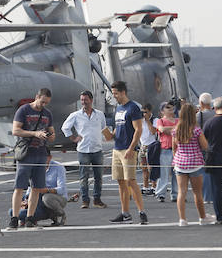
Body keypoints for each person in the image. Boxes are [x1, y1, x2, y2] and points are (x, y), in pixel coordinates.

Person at [8, 89, 56, 230]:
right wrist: (35, 133)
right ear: (37, 97)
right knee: (19, 187)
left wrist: (50, 136)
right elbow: (16, 130)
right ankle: (14, 219)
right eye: (42, 102)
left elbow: (52, 133)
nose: (43, 105)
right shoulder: (23, 110)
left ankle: (30, 218)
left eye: (46, 103)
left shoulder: (47, 114)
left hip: (41, 153)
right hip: (26, 153)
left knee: (36, 188)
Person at [102, 81, 148, 224]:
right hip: (117, 148)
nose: (114, 96)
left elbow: (138, 129)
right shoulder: (118, 108)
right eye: (113, 93)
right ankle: (125, 213)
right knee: (121, 182)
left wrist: (131, 148)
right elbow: (117, 129)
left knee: (131, 181)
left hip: (128, 149)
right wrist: (106, 131)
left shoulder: (133, 107)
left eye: (115, 93)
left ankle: (142, 212)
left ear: (123, 92)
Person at [62, 91, 108, 209]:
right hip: (83, 149)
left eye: (85, 100)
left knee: (99, 177)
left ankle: (97, 199)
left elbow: (103, 127)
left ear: (91, 100)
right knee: (84, 176)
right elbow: (65, 127)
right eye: (82, 100)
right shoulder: (76, 115)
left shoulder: (99, 114)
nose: (83, 102)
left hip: (97, 149)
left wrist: (107, 137)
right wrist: (73, 138)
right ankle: (85, 200)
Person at [172, 104, 212, 226]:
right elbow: (205, 146)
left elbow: (174, 148)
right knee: (197, 193)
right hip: (195, 163)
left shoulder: (176, 130)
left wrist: (177, 158)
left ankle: (182, 219)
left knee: (181, 192)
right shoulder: (196, 130)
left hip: (180, 163)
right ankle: (202, 217)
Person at [11, 147, 68, 226]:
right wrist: (25, 200)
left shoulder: (59, 167)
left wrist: (46, 190)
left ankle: (57, 213)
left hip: (53, 198)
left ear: (50, 157)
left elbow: (61, 189)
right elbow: (30, 187)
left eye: (42, 157)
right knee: (13, 210)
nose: (40, 160)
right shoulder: (35, 166)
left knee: (46, 198)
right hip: (37, 199)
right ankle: (28, 217)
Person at [154, 102, 179, 202]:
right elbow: (161, 129)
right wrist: (175, 128)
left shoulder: (178, 120)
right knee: (163, 172)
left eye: (172, 107)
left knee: (177, 173)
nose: (171, 109)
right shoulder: (160, 121)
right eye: (167, 107)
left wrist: (168, 129)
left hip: (178, 150)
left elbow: (166, 130)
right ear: (162, 111)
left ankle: (175, 194)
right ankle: (160, 193)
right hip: (165, 149)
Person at [196, 93, 216, 205]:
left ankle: (207, 196)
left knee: (204, 171)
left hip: (203, 146)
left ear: (201, 103)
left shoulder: (199, 116)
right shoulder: (216, 114)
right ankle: (214, 194)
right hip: (216, 145)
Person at [138, 104, 158, 196]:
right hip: (143, 146)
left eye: (145, 112)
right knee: (144, 168)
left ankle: (154, 186)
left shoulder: (155, 120)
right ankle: (145, 187)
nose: (144, 114)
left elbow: (153, 131)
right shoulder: (140, 121)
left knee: (152, 168)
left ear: (150, 111)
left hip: (152, 146)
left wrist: (147, 120)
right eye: (142, 112)